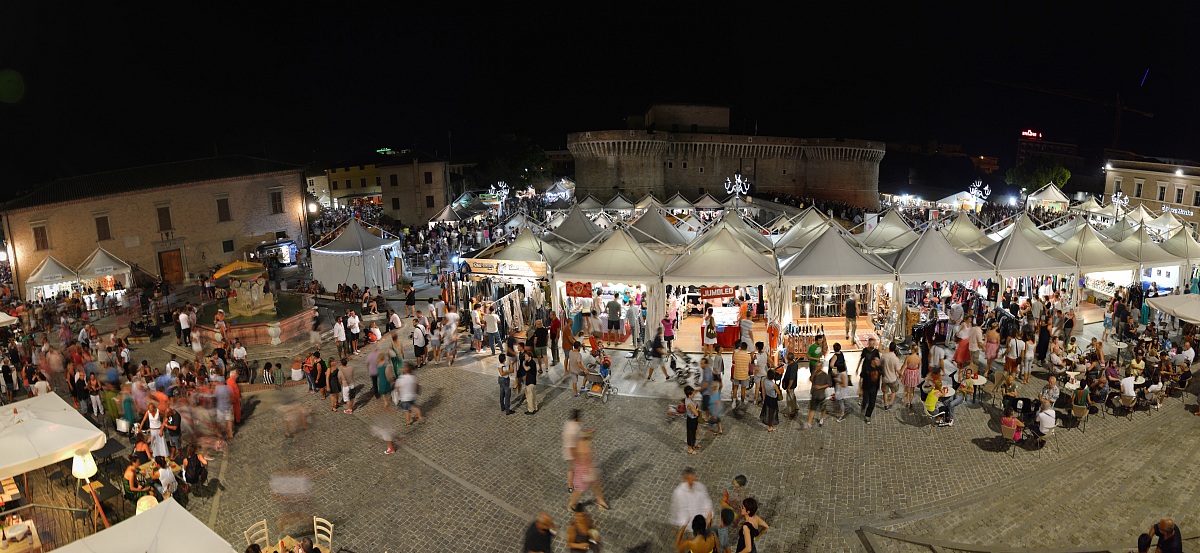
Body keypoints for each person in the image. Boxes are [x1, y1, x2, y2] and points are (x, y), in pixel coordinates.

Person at [567, 430, 609, 511]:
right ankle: (572, 504)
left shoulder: (585, 444)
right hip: (582, 473)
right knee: (579, 490)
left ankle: (600, 501)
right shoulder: (578, 446)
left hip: (590, 469)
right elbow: (573, 462)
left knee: (596, 485)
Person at [805, 355, 832, 429]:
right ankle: (809, 423)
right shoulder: (814, 373)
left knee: (822, 408)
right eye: (816, 366)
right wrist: (813, 374)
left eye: (818, 366)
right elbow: (811, 380)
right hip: (814, 394)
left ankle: (821, 419)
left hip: (821, 395)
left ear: (821, 367)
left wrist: (820, 387)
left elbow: (828, 384)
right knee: (812, 408)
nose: (816, 368)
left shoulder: (824, 375)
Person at [563, 410, 581, 492]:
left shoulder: (568, 423)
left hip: (569, 450)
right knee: (572, 469)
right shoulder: (574, 428)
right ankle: (571, 485)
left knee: (572, 468)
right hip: (573, 452)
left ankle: (571, 484)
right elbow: (572, 445)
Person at [683, 386, 701, 454]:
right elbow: (696, 413)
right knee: (691, 434)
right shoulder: (690, 404)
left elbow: (696, 404)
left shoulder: (689, 399)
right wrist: (697, 409)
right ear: (689, 395)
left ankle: (694, 442)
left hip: (693, 418)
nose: (694, 395)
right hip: (691, 420)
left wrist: (696, 407)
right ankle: (690, 448)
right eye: (693, 394)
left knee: (696, 431)